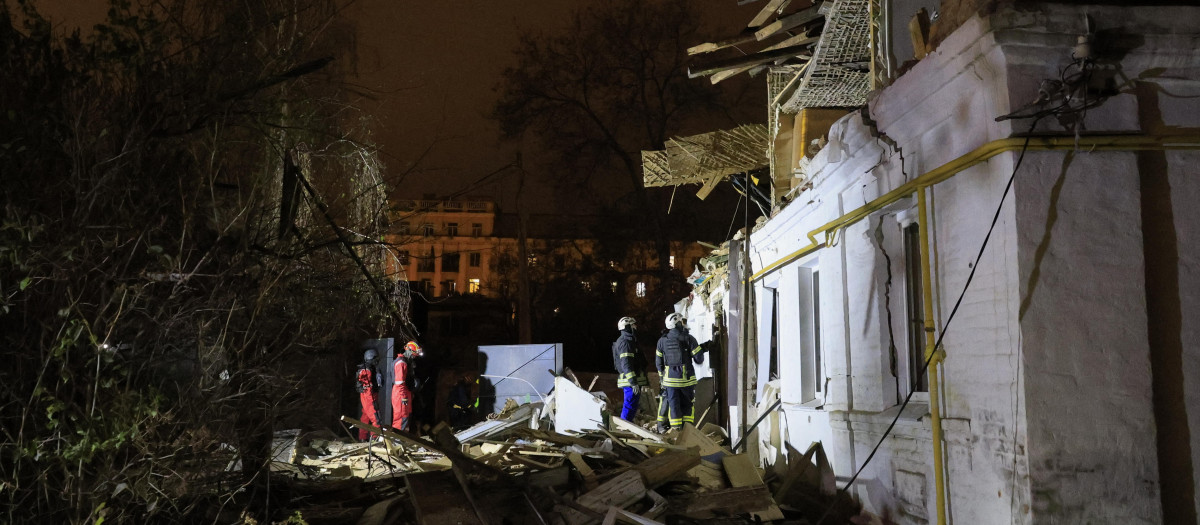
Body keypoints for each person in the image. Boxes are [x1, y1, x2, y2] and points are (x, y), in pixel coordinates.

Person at [655, 313, 705, 432]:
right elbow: (699, 359)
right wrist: (701, 349)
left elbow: (658, 362)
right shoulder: (689, 338)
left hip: (670, 381)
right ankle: (688, 431)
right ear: (677, 323)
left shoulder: (662, 341)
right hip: (686, 380)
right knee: (687, 405)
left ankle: (676, 431)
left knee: (674, 406)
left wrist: (662, 378)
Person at [612, 316, 649, 421]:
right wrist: (633, 382)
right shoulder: (625, 342)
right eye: (633, 325)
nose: (635, 327)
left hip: (632, 380)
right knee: (629, 404)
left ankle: (628, 426)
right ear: (627, 326)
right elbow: (626, 364)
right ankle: (624, 426)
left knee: (632, 405)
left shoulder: (630, 341)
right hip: (629, 381)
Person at [391, 340, 424, 432]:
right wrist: (404, 397)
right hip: (401, 393)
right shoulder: (401, 363)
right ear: (409, 351)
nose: (414, 357)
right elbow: (399, 383)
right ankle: (397, 441)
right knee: (401, 417)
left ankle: (403, 439)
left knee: (406, 416)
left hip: (406, 392)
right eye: (414, 354)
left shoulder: (406, 362)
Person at [355, 348, 381, 441]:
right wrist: (372, 401)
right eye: (375, 358)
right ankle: (375, 438)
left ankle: (362, 438)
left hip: (368, 396)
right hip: (369, 396)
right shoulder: (367, 370)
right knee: (376, 418)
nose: (377, 360)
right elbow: (368, 387)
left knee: (365, 418)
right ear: (371, 358)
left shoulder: (369, 368)